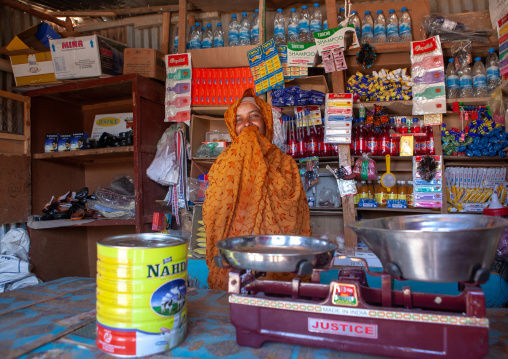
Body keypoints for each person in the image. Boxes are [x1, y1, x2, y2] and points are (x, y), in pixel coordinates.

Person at [203, 88, 311, 291]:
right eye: (239, 120)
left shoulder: (285, 164)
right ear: (232, 127)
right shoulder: (222, 165)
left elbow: (297, 215)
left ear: (266, 122)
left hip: (276, 262)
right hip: (234, 262)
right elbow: (214, 215)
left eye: (254, 116)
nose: (247, 124)